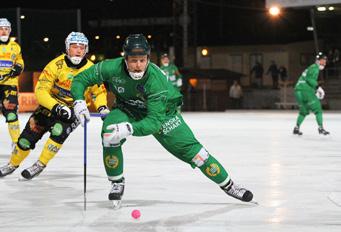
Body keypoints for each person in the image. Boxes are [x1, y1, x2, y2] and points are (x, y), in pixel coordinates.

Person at [70, 34, 253, 203]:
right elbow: (80, 79)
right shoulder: (110, 67)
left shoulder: (155, 81)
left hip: (163, 114)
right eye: (133, 61)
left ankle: (229, 185)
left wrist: (129, 129)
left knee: (198, 155)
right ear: (125, 59)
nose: (138, 65)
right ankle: (117, 182)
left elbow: (153, 122)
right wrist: (78, 101)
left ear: (148, 59)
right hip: (127, 108)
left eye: (142, 60)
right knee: (109, 134)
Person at [0, 32, 109, 179]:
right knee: (26, 139)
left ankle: (40, 164)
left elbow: (98, 92)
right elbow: (41, 90)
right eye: (74, 47)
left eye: (82, 47)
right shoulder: (55, 65)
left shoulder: (92, 70)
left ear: (86, 50)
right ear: (67, 47)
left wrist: (102, 107)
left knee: (58, 132)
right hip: (50, 105)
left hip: (73, 109)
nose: (78, 51)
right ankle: (12, 164)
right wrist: (56, 106)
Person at [0, 18, 24, 149]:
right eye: (1, 29)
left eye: (6, 29)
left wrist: (18, 67)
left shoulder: (15, 47)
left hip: (9, 84)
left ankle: (16, 142)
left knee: (11, 113)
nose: (3, 32)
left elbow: (20, 61)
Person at [293, 52, 329, 136]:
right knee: (318, 110)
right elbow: (309, 79)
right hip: (305, 91)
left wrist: (314, 91)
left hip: (298, 91)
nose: (325, 63)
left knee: (303, 112)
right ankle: (321, 128)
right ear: (318, 61)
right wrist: (318, 88)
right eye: (323, 61)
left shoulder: (311, 67)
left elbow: (306, 79)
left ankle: (296, 128)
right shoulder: (315, 68)